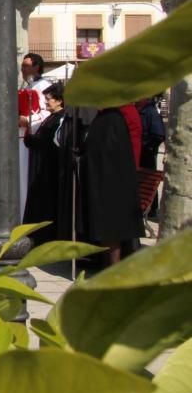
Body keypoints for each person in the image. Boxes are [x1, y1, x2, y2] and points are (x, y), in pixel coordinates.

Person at [79, 107, 143, 266]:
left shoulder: (117, 117)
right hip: (101, 179)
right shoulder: (103, 118)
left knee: (113, 228)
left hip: (114, 181)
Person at [23, 83, 67, 244]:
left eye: (49, 99)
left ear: (59, 101)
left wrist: (35, 141)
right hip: (42, 167)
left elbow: (52, 142)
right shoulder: (51, 117)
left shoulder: (61, 119)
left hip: (50, 169)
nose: (46, 102)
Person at [19, 53, 51, 219]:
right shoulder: (27, 86)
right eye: (22, 65)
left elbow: (47, 113)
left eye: (26, 65)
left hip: (33, 139)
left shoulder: (44, 86)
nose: (22, 69)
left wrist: (26, 120)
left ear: (36, 67)